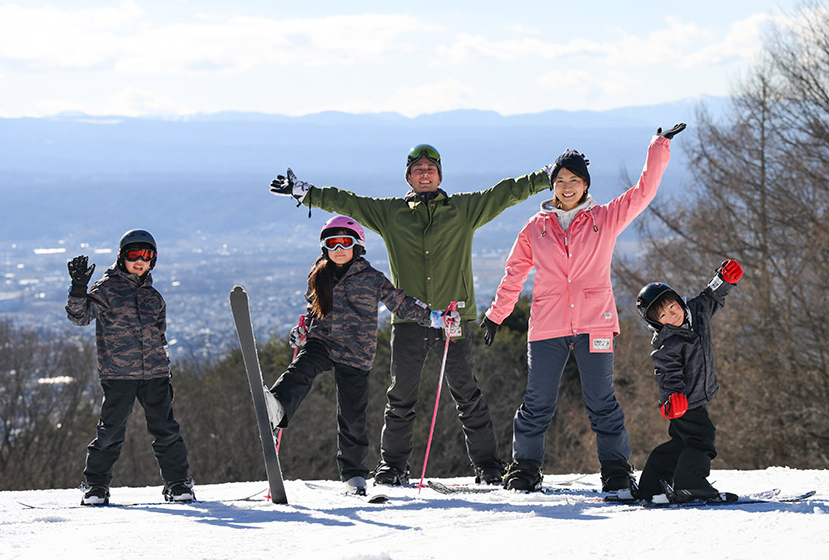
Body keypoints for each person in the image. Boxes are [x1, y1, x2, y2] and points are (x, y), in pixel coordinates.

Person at [270, 144, 553, 486]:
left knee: (467, 394)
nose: (424, 173)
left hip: (455, 319)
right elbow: (349, 203)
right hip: (408, 322)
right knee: (400, 397)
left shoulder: (463, 209)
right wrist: (308, 193)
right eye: (417, 169)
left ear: (439, 174)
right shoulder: (391, 214)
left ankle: (488, 466)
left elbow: (505, 193)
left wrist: (545, 177)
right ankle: (393, 467)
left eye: (430, 168)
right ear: (408, 177)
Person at [481, 123, 686, 493]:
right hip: (548, 326)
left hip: (596, 325)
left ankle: (617, 471)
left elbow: (643, 192)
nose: (567, 186)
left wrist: (659, 146)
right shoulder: (535, 228)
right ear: (552, 186)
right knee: (537, 402)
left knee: (602, 402)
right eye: (560, 180)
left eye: (574, 179)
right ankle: (525, 468)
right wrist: (497, 314)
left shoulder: (604, 219)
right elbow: (514, 274)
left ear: (586, 185)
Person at [262, 216, 459, 495]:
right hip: (323, 341)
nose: (339, 249)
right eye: (332, 243)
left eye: (345, 242)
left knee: (352, 414)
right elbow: (312, 310)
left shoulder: (372, 278)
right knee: (301, 369)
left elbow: (402, 304)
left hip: (357, 351)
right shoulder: (318, 275)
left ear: (358, 246)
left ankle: (354, 475)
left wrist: (437, 318)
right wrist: (303, 330)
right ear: (324, 248)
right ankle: (277, 405)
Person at [66, 229, 194, 506]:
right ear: (122, 257)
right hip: (119, 373)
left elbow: (160, 334)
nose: (140, 260)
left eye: (146, 255)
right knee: (110, 431)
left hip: (156, 374)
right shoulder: (107, 289)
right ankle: (96, 486)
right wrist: (78, 289)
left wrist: (163, 363)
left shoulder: (154, 297)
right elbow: (80, 316)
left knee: (166, 430)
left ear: (153, 260)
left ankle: (178, 484)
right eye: (133, 254)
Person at [634, 259, 742, 503]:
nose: (672, 315)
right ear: (656, 323)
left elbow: (712, 295)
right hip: (684, 402)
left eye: (672, 307)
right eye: (663, 315)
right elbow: (667, 374)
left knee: (682, 443)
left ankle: (653, 483)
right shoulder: (667, 345)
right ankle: (690, 483)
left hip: (697, 397)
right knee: (702, 438)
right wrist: (672, 397)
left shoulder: (697, 311)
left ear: (678, 301)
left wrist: (725, 278)